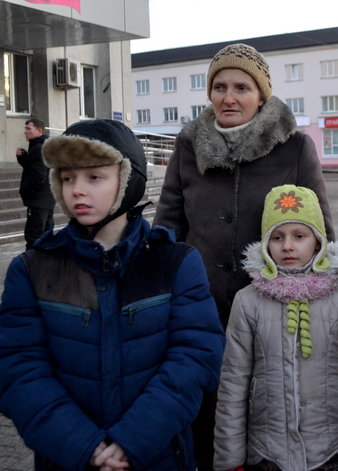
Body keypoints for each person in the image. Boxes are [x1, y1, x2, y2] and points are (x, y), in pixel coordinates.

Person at [0, 119, 226, 471]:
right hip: (66, 459)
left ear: (127, 180)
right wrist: (82, 446)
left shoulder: (175, 262)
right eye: (68, 177)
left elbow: (196, 358)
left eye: (94, 177)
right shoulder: (32, 270)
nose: (77, 190)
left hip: (158, 457)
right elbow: (18, 370)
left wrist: (131, 441)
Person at [153, 43, 335, 469]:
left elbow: (322, 231)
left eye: (241, 87)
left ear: (262, 95)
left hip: (275, 311)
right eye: (219, 86)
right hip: (201, 309)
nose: (228, 97)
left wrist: (321, 300)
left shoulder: (294, 148)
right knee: (207, 417)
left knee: (268, 419)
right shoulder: (188, 146)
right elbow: (168, 225)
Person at [214, 185, 338, 471]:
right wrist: (230, 461)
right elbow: (233, 384)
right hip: (266, 454)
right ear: (266, 243)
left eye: (299, 236)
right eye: (277, 237)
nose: (287, 246)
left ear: (317, 242)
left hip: (331, 451)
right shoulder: (247, 302)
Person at [16, 118, 56, 249]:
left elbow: (38, 176)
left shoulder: (38, 148)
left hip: (39, 200)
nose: (25, 132)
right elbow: (35, 169)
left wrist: (24, 190)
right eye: (25, 128)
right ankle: (46, 265)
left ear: (39, 131)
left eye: (28, 129)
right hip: (46, 199)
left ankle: (33, 267)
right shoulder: (43, 146)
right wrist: (23, 158)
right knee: (46, 236)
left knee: (34, 237)